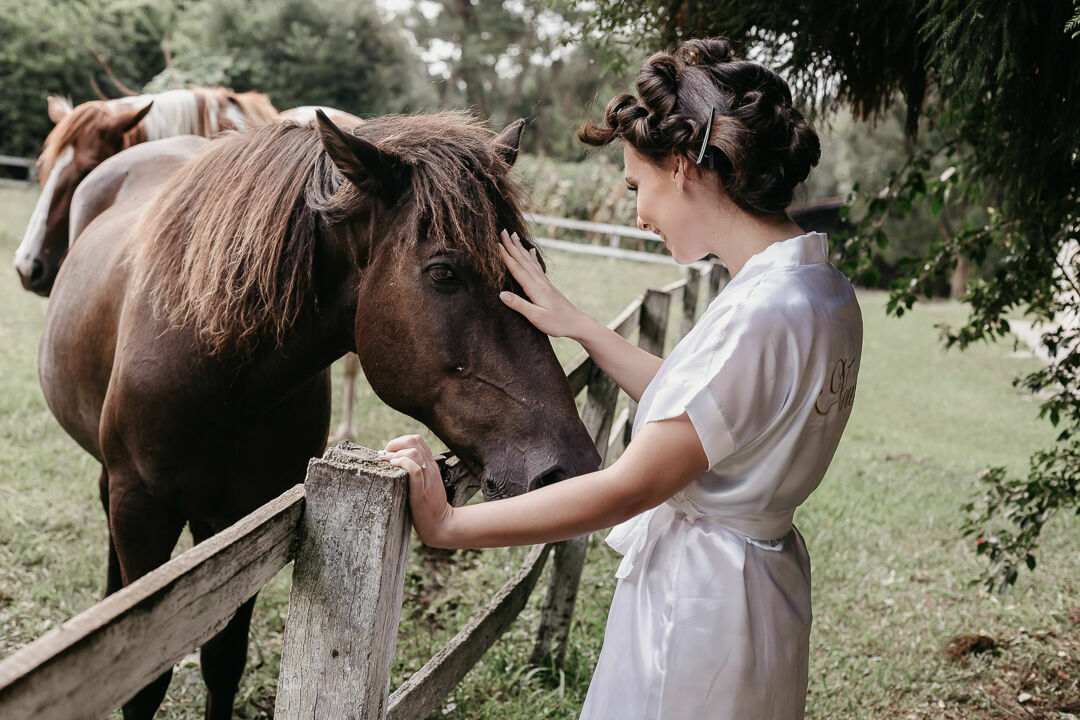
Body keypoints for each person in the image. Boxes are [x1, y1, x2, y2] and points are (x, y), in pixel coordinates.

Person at [381, 37, 862, 720]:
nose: (638, 213)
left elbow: (627, 486)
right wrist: (578, 325)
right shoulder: (821, 291)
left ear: (683, 168)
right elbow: (710, 414)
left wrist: (451, 524)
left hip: (699, 614)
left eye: (639, 187)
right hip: (762, 594)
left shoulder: (758, 315)